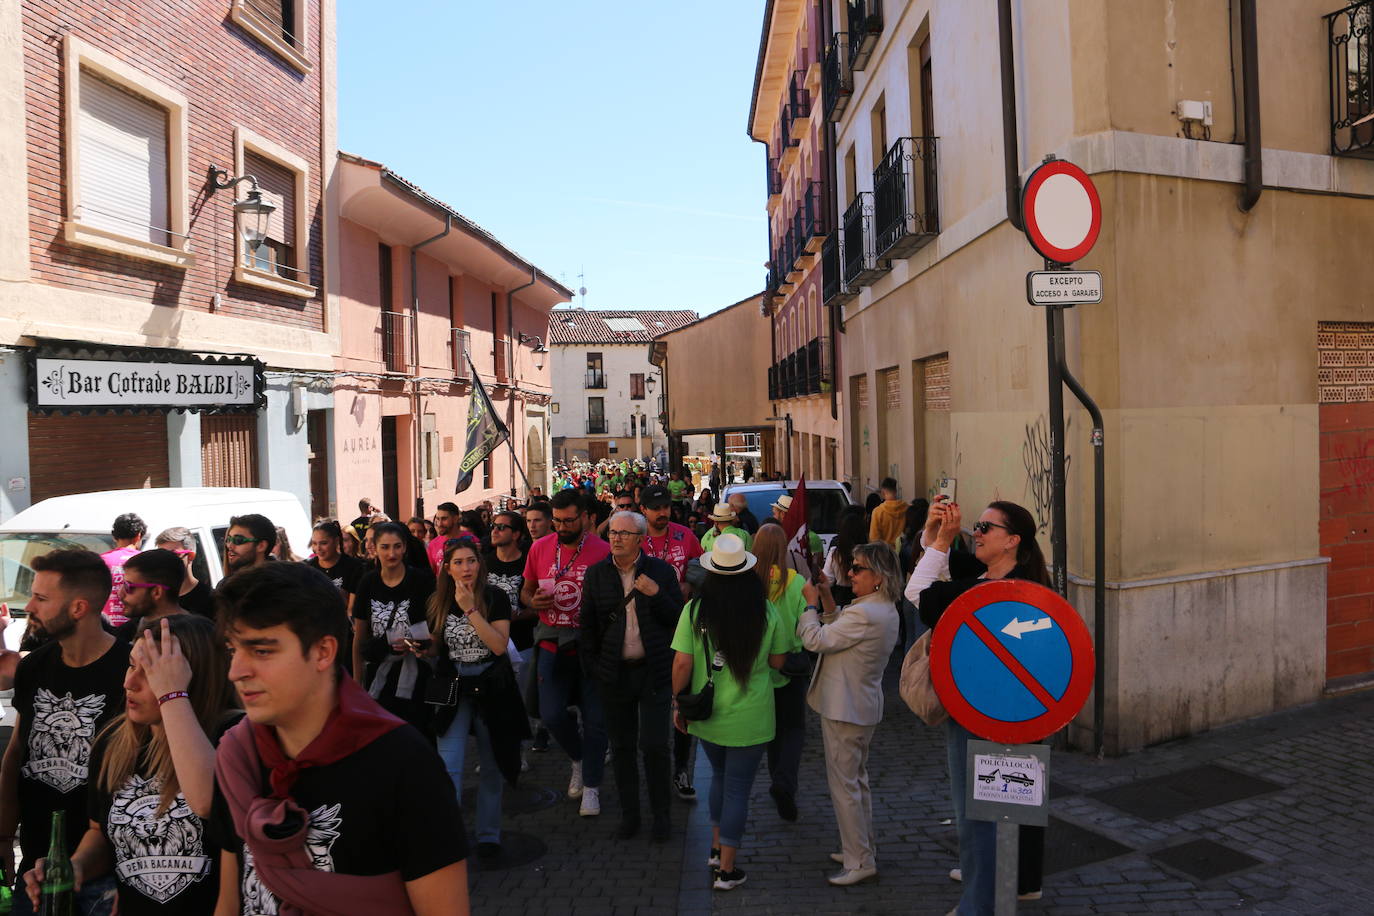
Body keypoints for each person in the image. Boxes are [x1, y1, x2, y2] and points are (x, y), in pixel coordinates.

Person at [211, 562, 470, 914]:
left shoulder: (403, 765)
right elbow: (230, 903)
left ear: (323, 652)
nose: (236, 671)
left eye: (261, 651)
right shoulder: (238, 754)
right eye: (232, 650)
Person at [23, 615, 237, 914]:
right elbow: (100, 832)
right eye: (131, 665)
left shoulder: (233, 736)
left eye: (149, 672)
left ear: (189, 676)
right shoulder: (114, 743)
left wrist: (172, 695)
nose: (128, 682)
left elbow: (209, 802)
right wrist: (76, 866)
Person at [908, 500, 1050, 912]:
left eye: (987, 527)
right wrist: (936, 537)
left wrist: (942, 540)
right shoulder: (1017, 583)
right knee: (1002, 814)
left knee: (979, 819)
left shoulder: (980, 591)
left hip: (979, 717)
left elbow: (918, 590)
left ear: (1012, 541)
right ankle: (1000, 892)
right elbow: (942, 574)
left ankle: (979, 905)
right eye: (977, 525)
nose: (978, 533)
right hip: (1019, 715)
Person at [1, 548, 130, 914]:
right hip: (37, 871)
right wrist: (3, 834)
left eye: (42, 598)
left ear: (78, 608)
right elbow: (16, 754)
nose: (31, 606)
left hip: (107, 877)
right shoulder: (35, 667)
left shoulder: (131, 671)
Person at [670, 534, 788, 892]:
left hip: (709, 714)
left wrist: (678, 704)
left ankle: (715, 848)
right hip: (751, 716)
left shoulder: (695, 610)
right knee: (738, 788)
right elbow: (778, 660)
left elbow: (681, 663)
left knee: (720, 779)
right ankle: (727, 869)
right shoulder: (765, 610)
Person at [798, 542, 902, 887]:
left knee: (845, 787)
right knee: (856, 783)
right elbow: (838, 630)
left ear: (878, 577)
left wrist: (810, 605)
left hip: (846, 708)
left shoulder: (866, 613)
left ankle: (859, 859)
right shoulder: (879, 608)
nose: (851, 573)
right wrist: (827, 600)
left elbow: (817, 639)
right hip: (858, 705)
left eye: (858, 568)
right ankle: (859, 847)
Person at [580, 511, 684, 842]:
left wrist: (656, 593)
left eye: (624, 534)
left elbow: (678, 620)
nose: (616, 539)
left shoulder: (661, 572)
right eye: (612, 533)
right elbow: (588, 627)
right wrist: (595, 669)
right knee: (622, 747)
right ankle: (630, 816)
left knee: (654, 745)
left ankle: (662, 816)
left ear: (640, 539)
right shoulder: (597, 575)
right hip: (614, 674)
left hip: (653, 671)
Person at [429, 536, 528, 861]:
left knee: (491, 765)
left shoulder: (494, 596)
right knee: (449, 767)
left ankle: (488, 836)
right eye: (457, 562)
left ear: (480, 564)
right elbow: (437, 646)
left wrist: (470, 610)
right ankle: (449, 837)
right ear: (447, 568)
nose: (465, 568)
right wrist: (418, 647)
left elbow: (499, 645)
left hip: (490, 686)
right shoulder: (438, 600)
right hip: (454, 689)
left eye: (471, 561)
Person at [519, 489, 611, 813]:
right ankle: (578, 758)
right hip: (551, 640)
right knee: (552, 714)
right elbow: (526, 591)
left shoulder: (603, 551)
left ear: (585, 517)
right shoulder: (540, 548)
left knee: (596, 720)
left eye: (569, 520)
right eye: (556, 520)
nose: (561, 526)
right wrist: (533, 602)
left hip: (591, 645)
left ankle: (592, 786)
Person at [638, 484, 705, 801]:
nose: (662, 513)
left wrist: (689, 583)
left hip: (681, 627)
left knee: (684, 699)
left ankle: (681, 767)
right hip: (643, 630)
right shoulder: (636, 538)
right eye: (655, 508)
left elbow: (703, 569)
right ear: (644, 511)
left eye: (665, 507)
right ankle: (651, 765)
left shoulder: (684, 536)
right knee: (648, 702)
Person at [350, 522, 436, 730]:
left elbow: (437, 629)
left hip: (418, 674)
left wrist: (420, 646)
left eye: (397, 546)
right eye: (385, 547)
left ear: (405, 547)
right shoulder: (367, 583)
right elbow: (360, 636)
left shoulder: (422, 581)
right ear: (375, 548)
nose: (391, 553)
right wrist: (356, 683)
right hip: (380, 673)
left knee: (418, 738)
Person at [749, 524, 808, 823]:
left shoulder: (748, 583)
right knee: (793, 729)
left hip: (760, 668)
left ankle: (778, 780)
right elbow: (807, 621)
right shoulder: (795, 583)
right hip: (791, 665)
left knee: (773, 732)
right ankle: (784, 782)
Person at [110, 548, 188, 643]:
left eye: (128, 586)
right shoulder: (135, 625)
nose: (120, 593)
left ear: (157, 592)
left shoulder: (190, 637)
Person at [306, 520, 365, 616]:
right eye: (314, 543)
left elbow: (353, 610)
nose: (318, 548)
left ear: (336, 541)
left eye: (323, 543)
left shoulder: (353, 566)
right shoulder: (309, 568)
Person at [152, 528, 213, 618]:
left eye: (173, 555)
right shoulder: (156, 598)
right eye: (160, 556)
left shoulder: (212, 599)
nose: (164, 561)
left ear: (190, 556)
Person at [100, 513, 147, 628]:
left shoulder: (100, 561)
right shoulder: (146, 560)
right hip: (137, 626)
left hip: (105, 626)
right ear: (138, 536)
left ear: (114, 536)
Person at [824, 506, 868, 607]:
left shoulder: (835, 553)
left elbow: (828, 580)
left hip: (841, 597)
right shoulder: (868, 553)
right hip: (864, 596)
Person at [868, 477, 909, 547]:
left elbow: (874, 538)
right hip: (903, 551)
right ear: (895, 491)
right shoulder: (906, 508)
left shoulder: (878, 512)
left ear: (883, 492)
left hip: (885, 552)